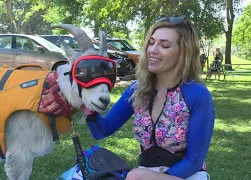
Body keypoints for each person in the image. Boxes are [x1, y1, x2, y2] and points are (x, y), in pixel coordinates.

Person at [85, 15, 215, 180]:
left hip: (185, 175)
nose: (153, 50)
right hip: (143, 174)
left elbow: (194, 160)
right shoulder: (137, 89)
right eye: (151, 42)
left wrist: (149, 177)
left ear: (183, 53)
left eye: (165, 45)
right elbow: (103, 130)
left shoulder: (197, 95)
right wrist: (90, 112)